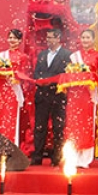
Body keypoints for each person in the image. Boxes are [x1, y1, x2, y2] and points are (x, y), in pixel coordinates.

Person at [65, 29, 98, 168]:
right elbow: (68, 73)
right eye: (83, 37)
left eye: (88, 37)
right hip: (75, 93)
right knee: (74, 124)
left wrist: (90, 78)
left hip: (88, 94)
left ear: (93, 40)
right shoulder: (74, 56)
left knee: (87, 124)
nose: (85, 40)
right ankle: (73, 157)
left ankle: (85, 159)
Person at [31, 28, 71, 166]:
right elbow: (36, 73)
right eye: (47, 38)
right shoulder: (42, 54)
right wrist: (41, 80)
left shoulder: (67, 55)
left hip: (57, 96)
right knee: (39, 127)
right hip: (42, 95)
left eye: (50, 37)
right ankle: (37, 157)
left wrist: (51, 81)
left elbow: (67, 74)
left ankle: (57, 157)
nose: (48, 40)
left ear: (58, 38)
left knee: (58, 127)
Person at [0, 29, 27, 145]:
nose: (12, 40)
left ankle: (10, 145)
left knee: (10, 116)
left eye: (14, 38)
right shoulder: (1, 55)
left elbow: (24, 75)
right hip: (0, 88)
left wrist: (13, 75)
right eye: (10, 38)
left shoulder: (23, 57)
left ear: (20, 40)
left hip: (12, 89)